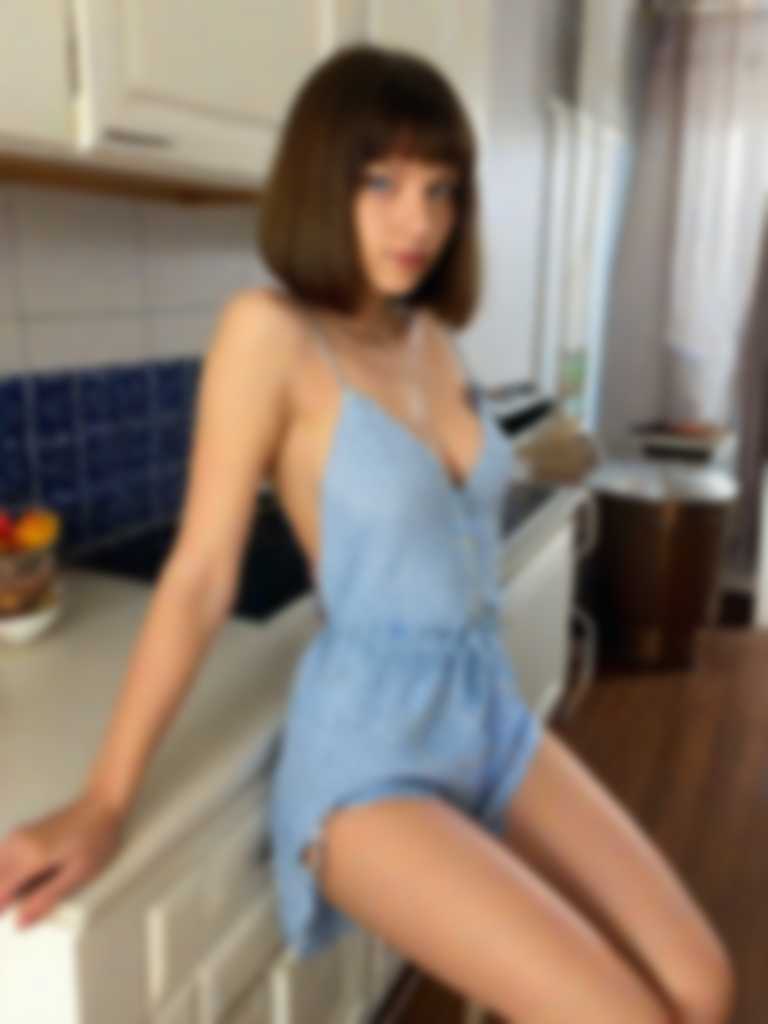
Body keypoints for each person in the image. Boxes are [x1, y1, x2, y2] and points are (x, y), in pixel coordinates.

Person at [0, 42, 734, 1023]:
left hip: (485, 712)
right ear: (322, 181)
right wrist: (104, 798)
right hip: (370, 753)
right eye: (381, 181)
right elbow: (202, 575)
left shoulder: (433, 337)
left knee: (703, 985)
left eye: (440, 189)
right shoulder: (270, 331)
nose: (417, 220)